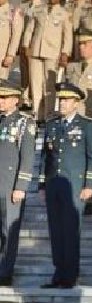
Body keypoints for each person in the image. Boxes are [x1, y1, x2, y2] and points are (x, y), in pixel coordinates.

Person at [40, 82, 92, 289]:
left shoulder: (86, 125)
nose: (63, 103)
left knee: (71, 229)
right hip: (53, 183)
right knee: (56, 230)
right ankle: (58, 273)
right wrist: (42, 184)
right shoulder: (52, 124)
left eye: (67, 100)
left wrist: (89, 184)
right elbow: (45, 157)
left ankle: (70, 274)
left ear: (76, 103)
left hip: (74, 184)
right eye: (61, 99)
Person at [0, 80, 36, 286]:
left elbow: (28, 156)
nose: (1, 101)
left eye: (4, 97)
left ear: (15, 99)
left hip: (10, 185)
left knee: (8, 230)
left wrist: (20, 187)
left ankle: (5, 272)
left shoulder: (24, 123)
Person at [23, 0, 72, 121]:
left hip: (52, 52)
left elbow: (68, 36)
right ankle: (37, 114)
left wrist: (65, 53)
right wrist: (26, 45)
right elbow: (30, 28)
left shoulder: (64, 13)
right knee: (35, 84)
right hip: (36, 50)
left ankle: (48, 115)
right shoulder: (39, 9)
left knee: (49, 85)